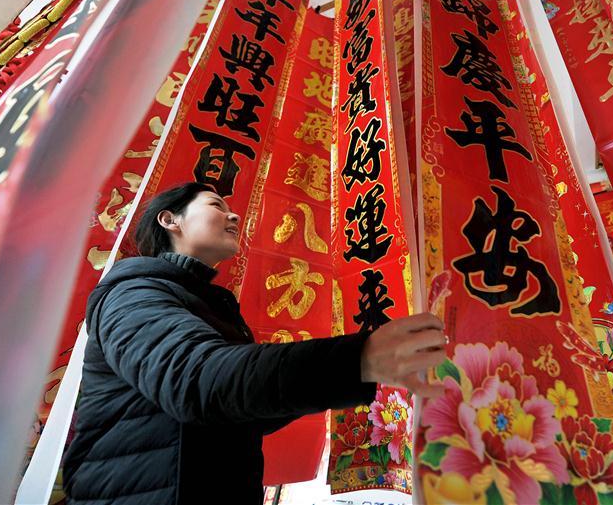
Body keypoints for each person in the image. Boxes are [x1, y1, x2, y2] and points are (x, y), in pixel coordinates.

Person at [63, 182, 447, 504]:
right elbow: (199, 379)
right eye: (216, 205)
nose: (233, 216)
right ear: (170, 220)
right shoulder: (132, 292)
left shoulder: (210, 306)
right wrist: (355, 360)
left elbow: (237, 411)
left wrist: (360, 372)